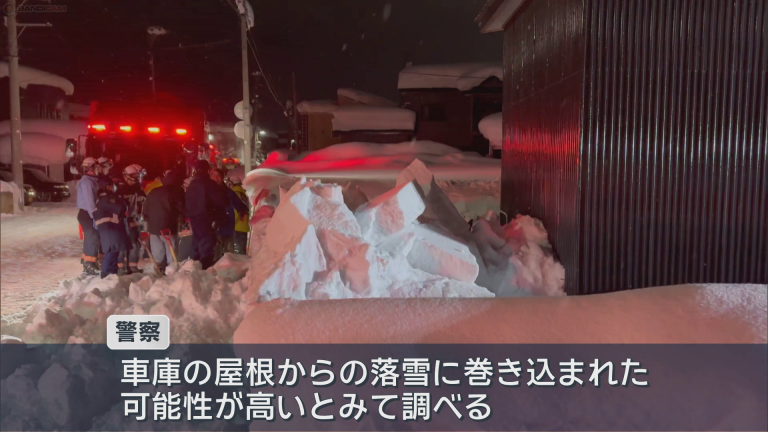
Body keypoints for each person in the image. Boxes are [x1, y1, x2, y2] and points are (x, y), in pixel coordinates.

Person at [185, 160, 229, 269]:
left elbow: (187, 202)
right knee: (207, 240)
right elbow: (220, 201)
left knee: (197, 240)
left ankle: (194, 263)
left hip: (194, 217)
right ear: (208, 170)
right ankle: (204, 265)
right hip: (207, 217)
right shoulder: (210, 184)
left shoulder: (192, 185)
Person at [143, 170, 185, 272]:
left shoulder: (153, 192)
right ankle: (171, 273)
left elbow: (145, 210)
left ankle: (158, 272)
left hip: (153, 228)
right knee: (172, 254)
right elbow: (182, 208)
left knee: (157, 254)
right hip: (169, 228)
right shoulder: (176, 192)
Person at [93, 177, 130, 278]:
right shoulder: (107, 199)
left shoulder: (103, 198)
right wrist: (121, 200)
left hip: (109, 228)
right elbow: (122, 208)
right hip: (110, 228)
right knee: (111, 251)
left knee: (114, 251)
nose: (112, 188)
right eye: (110, 186)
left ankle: (112, 273)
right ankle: (106, 274)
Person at [210, 168, 248, 260]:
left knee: (228, 252)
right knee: (215, 251)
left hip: (228, 224)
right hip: (214, 225)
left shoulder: (227, 191)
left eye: (219, 176)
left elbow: (238, 204)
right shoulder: (207, 190)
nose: (217, 178)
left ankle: (227, 265)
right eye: (214, 176)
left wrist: (241, 210)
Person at [116, 164, 146, 274]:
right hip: (123, 221)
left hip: (135, 220)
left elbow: (143, 202)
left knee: (135, 244)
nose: (137, 180)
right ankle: (120, 267)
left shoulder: (137, 189)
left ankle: (132, 266)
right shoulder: (120, 190)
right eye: (135, 178)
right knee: (123, 244)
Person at [76, 157, 101, 275]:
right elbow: (90, 202)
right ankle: (89, 264)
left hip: (88, 213)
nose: (98, 169)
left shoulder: (92, 180)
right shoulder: (87, 182)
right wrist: (95, 217)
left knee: (92, 237)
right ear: (91, 168)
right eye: (96, 167)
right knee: (93, 237)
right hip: (87, 213)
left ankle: (88, 262)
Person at [228, 173, 251, 255]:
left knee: (237, 251)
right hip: (244, 226)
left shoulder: (234, 195)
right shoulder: (244, 194)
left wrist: (231, 222)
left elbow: (235, 211)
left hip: (236, 226)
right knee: (241, 249)